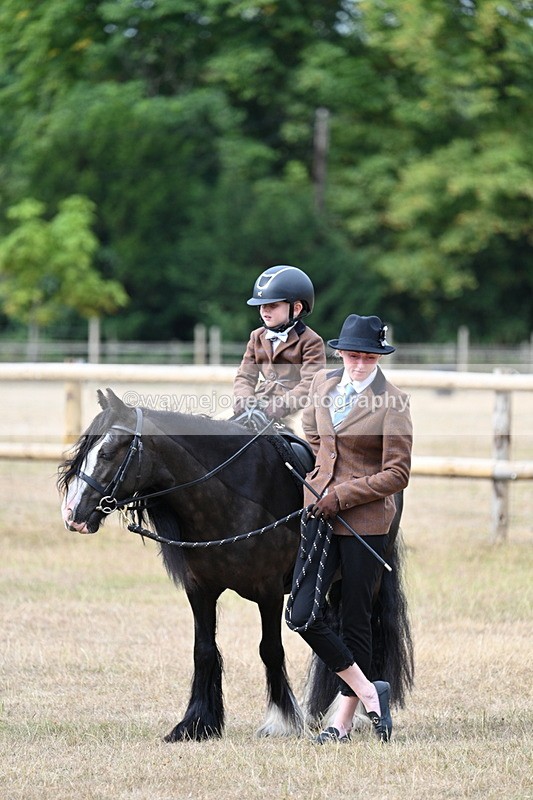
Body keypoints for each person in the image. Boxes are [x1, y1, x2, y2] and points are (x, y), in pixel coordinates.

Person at [285, 313, 413, 743]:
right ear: (340, 352)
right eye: (352, 355)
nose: (358, 364)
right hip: (318, 514)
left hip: (365, 522)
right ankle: (368, 689)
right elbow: (312, 431)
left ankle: (340, 722)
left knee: (357, 617)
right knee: (301, 614)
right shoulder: (323, 384)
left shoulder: (393, 403)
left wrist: (342, 494)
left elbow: (397, 473)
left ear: (378, 357)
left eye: (367, 357)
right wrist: (323, 477)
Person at [233, 265, 326, 425]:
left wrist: (283, 405)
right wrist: (243, 398)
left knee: (303, 434)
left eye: (273, 305)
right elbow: (245, 375)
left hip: (295, 408)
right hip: (260, 402)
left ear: (296, 308)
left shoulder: (311, 341)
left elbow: (311, 383)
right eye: (262, 305)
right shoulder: (256, 336)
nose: (265, 310)